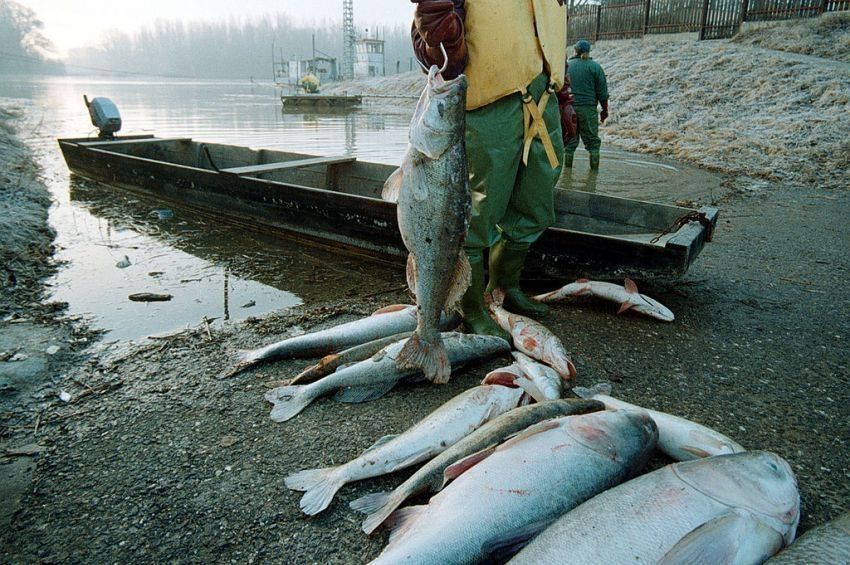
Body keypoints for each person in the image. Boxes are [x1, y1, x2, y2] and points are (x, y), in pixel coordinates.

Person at [411, 0, 576, 339]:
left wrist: (565, 97)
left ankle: (504, 287)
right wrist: (438, 38)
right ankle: (469, 307)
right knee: (474, 217)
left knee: (534, 204)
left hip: (542, 99)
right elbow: (429, 46)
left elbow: (548, 36)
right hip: (486, 106)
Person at [565, 39, 609, 171]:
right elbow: (602, 93)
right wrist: (604, 110)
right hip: (588, 110)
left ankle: (566, 177)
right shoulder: (595, 67)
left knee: (569, 143)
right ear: (588, 52)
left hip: (569, 109)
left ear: (575, 50)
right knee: (593, 144)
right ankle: (593, 176)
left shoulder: (567, 66)